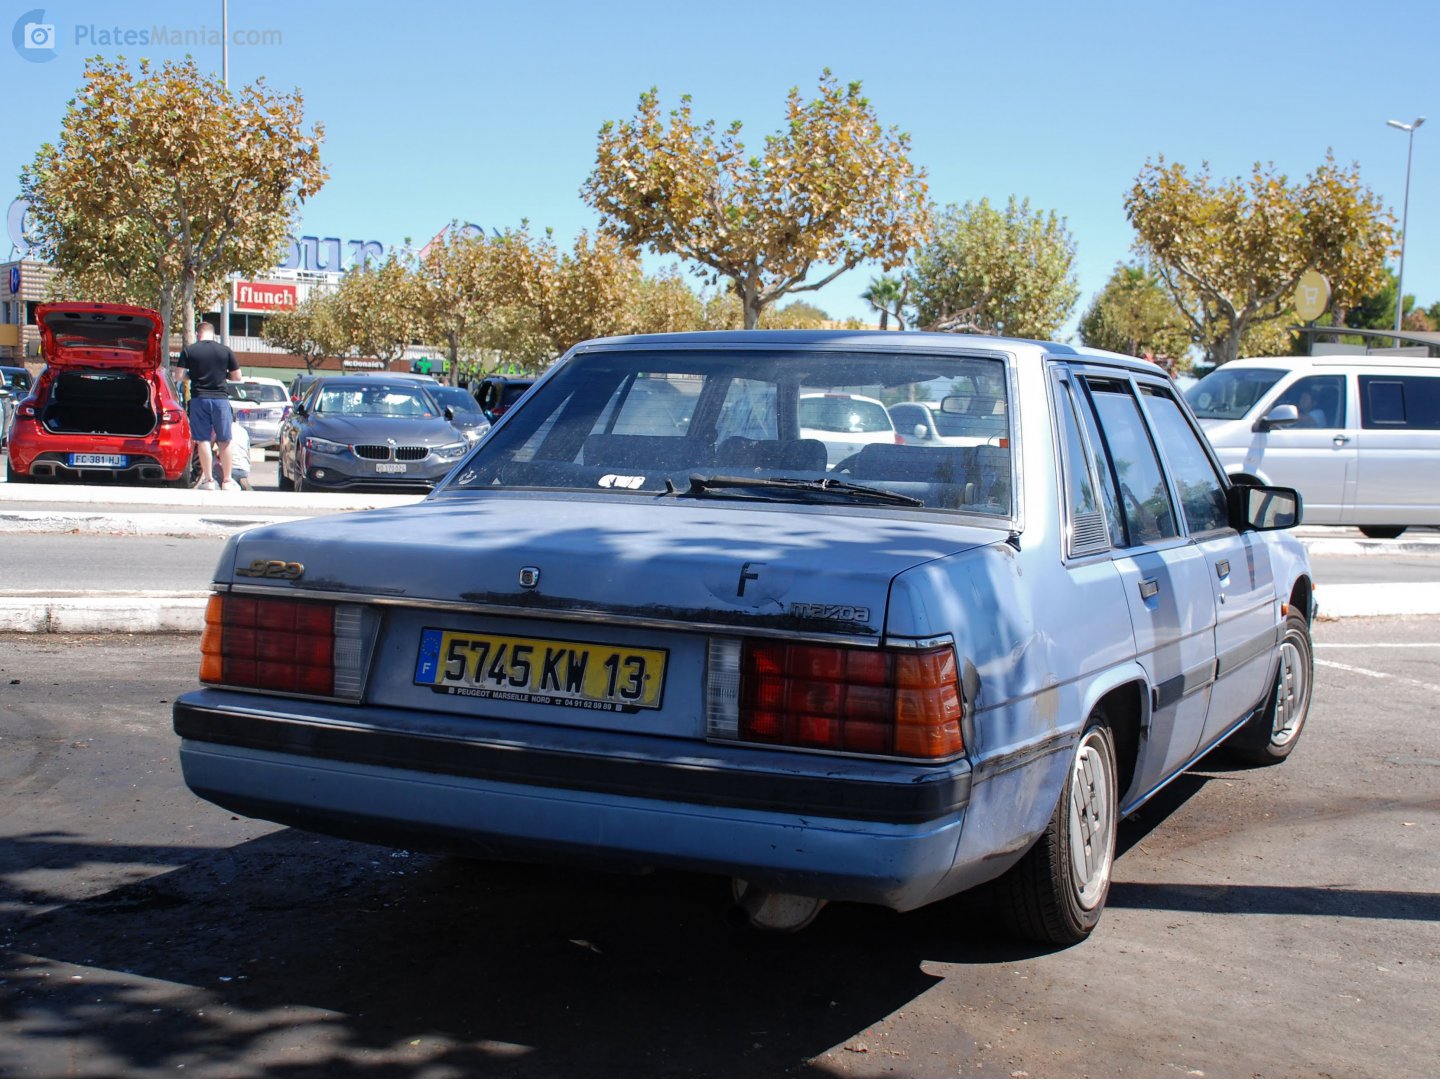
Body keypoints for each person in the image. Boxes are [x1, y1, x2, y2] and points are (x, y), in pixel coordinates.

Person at [175, 322, 242, 490]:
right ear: (213, 335)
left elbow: (179, 375)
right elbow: (237, 377)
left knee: (203, 440)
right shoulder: (225, 351)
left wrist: (194, 375)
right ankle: (227, 481)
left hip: (199, 399)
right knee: (224, 440)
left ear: (198, 335)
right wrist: (222, 375)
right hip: (221, 400)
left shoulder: (189, 351)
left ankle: (209, 480)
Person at [210, 404, 252, 490]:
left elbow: (209, 447)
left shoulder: (220, 428)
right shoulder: (243, 431)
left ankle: (216, 484)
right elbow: (248, 452)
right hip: (244, 470)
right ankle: (240, 481)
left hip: (228, 470)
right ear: (235, 418)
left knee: (211, 459)